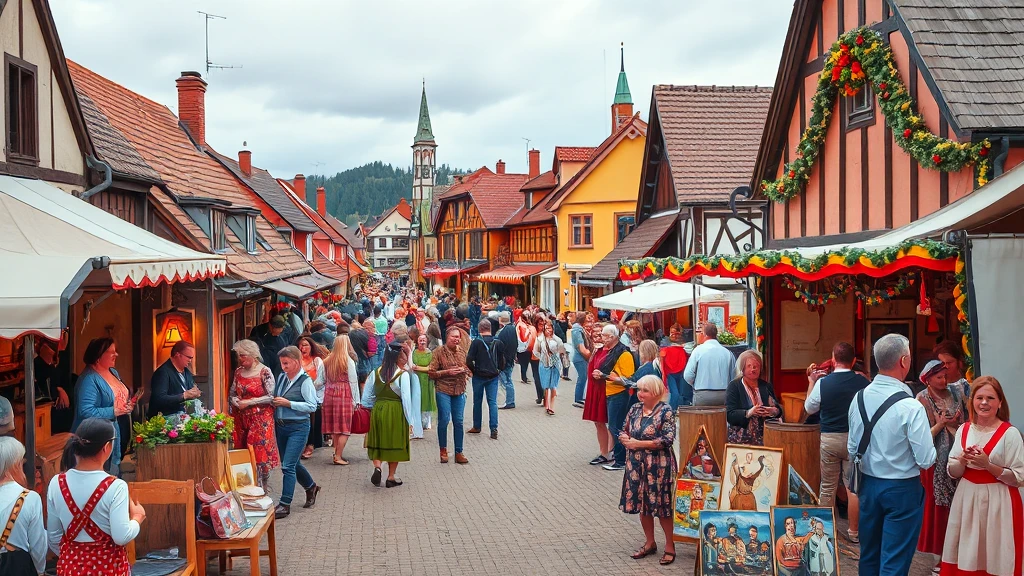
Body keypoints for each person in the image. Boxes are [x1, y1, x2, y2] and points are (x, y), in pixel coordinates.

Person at [847, 333, 936, 575]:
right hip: (901, 488)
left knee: (869, 557)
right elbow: (926, 459)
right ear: (904, 361)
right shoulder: (911, 406)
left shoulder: (859, 398)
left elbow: (852, 448)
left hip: (868, 484)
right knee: (894, 562)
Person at [941, 376, 1023, 576]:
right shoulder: (964, 429)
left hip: (999, 502)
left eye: (990, 398)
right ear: (972, 401)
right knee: (967, 552)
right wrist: (961, 460)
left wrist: (988, 465)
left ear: (1000, 402)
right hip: (967, 499)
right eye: (979, 398)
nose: (984, 403)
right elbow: (952, 472)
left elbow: (1019, 477)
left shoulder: (1010, 434)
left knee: (996, 554)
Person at [46, 418, 145, 576]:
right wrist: (138, 517)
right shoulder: (116, 487)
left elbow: (53, 537)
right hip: (109, 569)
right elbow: (121, 536)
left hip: (70, 568)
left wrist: (76, 556)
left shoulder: (56, 483)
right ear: (107, 447)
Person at [803, 341, 868, 544]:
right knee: (853, 487)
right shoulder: (863, 382)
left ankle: (825, 533)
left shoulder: (824, 383)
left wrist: (811, 382)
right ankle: (854, 532)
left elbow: (809, 408)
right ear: (854, 361)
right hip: (854, 439)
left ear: (833, 359)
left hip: (830, 438)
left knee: (828, 486)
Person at [618, 375, 678, 566]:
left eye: (645, 390)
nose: (640, 394)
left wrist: (639, 443)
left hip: (658, 466)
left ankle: (670, 546)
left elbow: (667, 439)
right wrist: (624, 439)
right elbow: (624, 429)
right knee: (643, 504)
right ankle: (650, 542)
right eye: (639, 390)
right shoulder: (635, 408)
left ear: (656, 392)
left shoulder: (666, 411)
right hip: (636, 464)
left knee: (663, 506)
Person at [914, 359, 966, 566]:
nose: (944, 380)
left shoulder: (955, 392)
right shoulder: (922, 399)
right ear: (928, 379)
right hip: (936, 461)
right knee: (938, 508)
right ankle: (939, 557)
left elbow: (965, 420)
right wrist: (941, 424)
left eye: (945, 376)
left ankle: (959, 553)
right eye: (939, 377)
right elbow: (922, 435)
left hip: (958, 454)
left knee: (959, 504)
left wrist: (957, 421)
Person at [72, 338, 136, 476]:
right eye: (111, 352)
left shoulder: (113, 372)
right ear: (98, 356)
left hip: (116, 432)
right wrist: (113, 411)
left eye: (115, 351)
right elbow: (85, 410)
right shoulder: (89, 379)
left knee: (114, 471)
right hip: (97, 440)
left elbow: (117, 397)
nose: (116, 355)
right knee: (105, 475)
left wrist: (127, 405)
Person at [271, 347, 321, 519]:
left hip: (298, 427)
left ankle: (285, 504)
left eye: (286, 363)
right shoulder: (281, 377)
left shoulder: (305, 381)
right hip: (281, 426)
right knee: (291, 463)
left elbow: (312, 406)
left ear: (297, 362)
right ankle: (311, 486)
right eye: (281, 364)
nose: (283, 367)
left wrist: (288, 403)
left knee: (287, 466)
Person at [362, 343, 416, 488]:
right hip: (395, 410)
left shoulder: (375, 372)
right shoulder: (402, 374)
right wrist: (409, 420)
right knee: (394, 441)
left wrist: (370, 408)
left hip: (378, 408)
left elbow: (367, 396)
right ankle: (391, 476)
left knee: (378, 439)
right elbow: (406, 399)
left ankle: (378, 467)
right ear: (400, 357)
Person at [229, 340, 279, 488]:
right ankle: (246, 484)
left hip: (260, 419)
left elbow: (272, 396)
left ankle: (263, 485)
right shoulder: (238, 372)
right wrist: (235, 400)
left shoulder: (265, 372)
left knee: (259, 450)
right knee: (242, 450)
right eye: (239, 356)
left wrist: (250, 402)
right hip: (241, 417)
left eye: (243, 356)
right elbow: (232, 392)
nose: (241, 359)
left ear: (253, 355)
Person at [0, 437, 46, 575]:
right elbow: (38, 546)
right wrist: (40, 571)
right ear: (15, 465)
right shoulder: (29, 498)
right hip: (16, 568)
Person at [593, 324, 635, 472]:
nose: (601, 338)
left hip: (618, 394)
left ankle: (620, 459)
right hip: (611, 393)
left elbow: (628, 378)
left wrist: (605, 376)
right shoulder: (613, 351)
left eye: (604, 336)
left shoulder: (624, 353)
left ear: (612, 337)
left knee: (615, 427)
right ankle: (618, 458)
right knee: (614, 426)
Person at [428, 329, 471, 465]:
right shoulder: (439, 352)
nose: (456, 339)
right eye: (453, 337)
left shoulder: (462, 352)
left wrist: (466, 371)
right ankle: (443, 450)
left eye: (458, 337)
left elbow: (468, 367)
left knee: (458, 421)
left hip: (459, 390)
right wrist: (447, 372)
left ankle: (459, 452)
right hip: (443, 389)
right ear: (447, 337)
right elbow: (431, 372)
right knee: (444, 419)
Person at [725, 350, 782, 445]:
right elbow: (730, 415)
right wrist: (749, 412)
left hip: (766, 436)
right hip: (741, 439)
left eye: (756, 367)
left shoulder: (766, 386)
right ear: (742, 368)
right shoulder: (734, 386)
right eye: (749, 366)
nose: (753, 369)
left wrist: (772, 411)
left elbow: (779, 411)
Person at [322, 335, 359, 466]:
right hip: (344, 394)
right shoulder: (348, 361)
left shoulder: (326, 361)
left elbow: (320, 381)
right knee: (344, 428)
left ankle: (336, 452)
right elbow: (353, 382)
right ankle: (338, 456)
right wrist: (356, 401)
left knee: (335, 427)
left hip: (329, 394)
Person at [466, 319, 504, 439]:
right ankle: (493, 429)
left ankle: (477, 426)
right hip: (493, 376)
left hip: (479, 376)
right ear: (490, 328)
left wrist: (473, 370)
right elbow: (503, 360)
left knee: (477, 401)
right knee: (492, 402)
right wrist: (499, 370)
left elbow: (468, 359)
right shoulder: (498, 342)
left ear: (480, 329)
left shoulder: (476, 342)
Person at [683, 324, 736, 406]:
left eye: (700, 332)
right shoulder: (728, 353)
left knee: (701, 418)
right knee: (722, 418)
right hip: (724, 395)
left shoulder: (697, 351)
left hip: (702, 394)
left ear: (704, 334)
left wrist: (696, 384)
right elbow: (733, 377)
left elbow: (688, 375)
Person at [583, 323, 612, 466]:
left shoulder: (611, 352)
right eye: (594, 333)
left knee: (608, 422)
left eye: (601, 333)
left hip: (605, 389)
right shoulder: (596, 350)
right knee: (597, 422)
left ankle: (609, 452)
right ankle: (604, 451)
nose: (597, 335)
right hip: (594, 389)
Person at [147, 340, 200, 418]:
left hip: (183, 419)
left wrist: (195, 393)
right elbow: (159, 399)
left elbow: (190, 390)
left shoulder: (187, 372)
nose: (190, 360)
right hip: (164, 421)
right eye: (189, 357)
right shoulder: (162, 372)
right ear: (177, 354)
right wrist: (183, 396)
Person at [297, 336, 328, 460]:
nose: (303, 348)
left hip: (314, 395)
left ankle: (310, 445)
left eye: (305, 345)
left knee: (312, 420)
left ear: (311, 347)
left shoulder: (317, 361)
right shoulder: (296, 361)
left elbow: (322, 380)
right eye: (301, 345)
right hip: (298, 396)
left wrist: (308, 388)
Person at [36, 337, 73, 434]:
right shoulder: (38, 364)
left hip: (61, 410)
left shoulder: (61, 361)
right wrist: (59, 389)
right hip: (47, 407)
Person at [533, 323, 564, 416]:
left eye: (550, 328)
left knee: (553, 385)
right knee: (546, 386)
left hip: (555, 365)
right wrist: (543, 358)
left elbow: (562, 350)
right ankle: (547, 405)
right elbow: (535, 351)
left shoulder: (557, 339)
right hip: (544, 365)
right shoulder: (540, 339)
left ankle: (551, 407)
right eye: (546, 328)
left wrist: (555, 357)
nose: (548, 330)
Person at [659, 323, 690, 409]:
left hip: (680, 372)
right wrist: (663, 375)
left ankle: (677, 411)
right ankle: (671, 411)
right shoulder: (665, 343)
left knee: (680, 394)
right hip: (670, 373)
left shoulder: (685, 346)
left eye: (676, 334)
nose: (673, 336)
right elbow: (661, 359)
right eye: (672, 333)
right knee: (675, 394)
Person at [410, 335, 437, 431]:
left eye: (424, 340)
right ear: (417, 341)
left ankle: (426, 422)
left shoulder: (430, 353)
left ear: (427, 342)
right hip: (415, 378)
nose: (422, 342)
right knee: (417, 399)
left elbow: (431, 367)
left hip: (426, 380)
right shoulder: (413, 353)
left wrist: (419, 368)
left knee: (426, 399)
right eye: (420, 340)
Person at [495, 312, 518, 410]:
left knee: (506, 381)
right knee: (508, 380)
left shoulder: (502, 331)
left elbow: (498, 346)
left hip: (504, 361)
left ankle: (509, 401)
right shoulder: (513, 328)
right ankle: (510, 400)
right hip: (510, 359)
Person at [569, 312, 592, 408]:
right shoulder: (577, 329)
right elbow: (580, 346)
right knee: (582, 377)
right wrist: (588, 356)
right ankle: (578, 399)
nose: (588, 321)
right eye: (587, 319)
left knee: (583, 377)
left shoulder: (578, 328)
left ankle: (580, 397)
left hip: (580, 357)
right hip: (580, 357)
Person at [349, 318, 374, 394]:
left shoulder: (351, 336)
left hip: (356, 362)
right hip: (366, 362)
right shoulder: (365, 335)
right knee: (364, 382)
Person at [514, 312, 537, 387]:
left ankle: (524, 377)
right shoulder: (522, 325)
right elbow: (523, 338)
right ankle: (524, 377)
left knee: (524, 364)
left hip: (525, 348)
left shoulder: (520, 324)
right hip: (523, 348)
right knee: (524, 364)